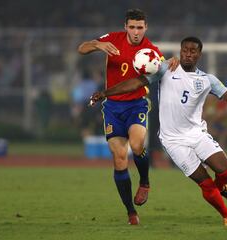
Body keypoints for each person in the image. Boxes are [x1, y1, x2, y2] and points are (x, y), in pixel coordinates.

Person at [89, 37, 227, 226]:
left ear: (199, 54)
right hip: (173, 141)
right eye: (185, 50)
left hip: (197, 134)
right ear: (180, 52)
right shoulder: (165, 69)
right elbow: (137, 82)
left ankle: (221, 187)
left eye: (193, 51)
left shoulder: (207, 80)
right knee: (205, 183)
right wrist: (105, 93)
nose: (188, 54)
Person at [77, 9, 179, 225]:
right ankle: (131, 211)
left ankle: (144, 181)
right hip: (112, 107)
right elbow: (81, 48)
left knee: (136, 144)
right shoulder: (112, 39)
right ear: (125, 27)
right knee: (119, 158)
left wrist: (173, 61)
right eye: (131, 27)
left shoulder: (151, 50)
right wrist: (96, 45)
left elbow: (164, 68)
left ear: (146, 28)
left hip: (137, 104)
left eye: (139, 27)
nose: (135, 32)